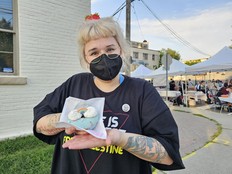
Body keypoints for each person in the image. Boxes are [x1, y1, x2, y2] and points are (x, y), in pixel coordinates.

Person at [33, 15, 184, 174]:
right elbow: (39, 123)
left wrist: (118, 138)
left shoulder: (142, 91)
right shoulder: (74, 84)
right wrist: (67, 118)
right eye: (94, 52)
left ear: (121, 50)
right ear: (86, 59)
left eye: (110, 49)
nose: (103, 57)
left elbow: (168, 154)